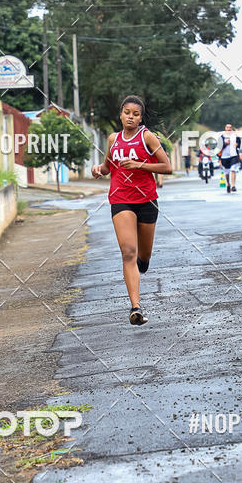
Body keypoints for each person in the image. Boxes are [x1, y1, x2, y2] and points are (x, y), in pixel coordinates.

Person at [91, 95, 172, 326]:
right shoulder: (113, 139)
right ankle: (136, 308)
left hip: (146, 200)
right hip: (121, 200)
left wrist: (140, 165)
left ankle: (142, 264)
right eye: (127, 112)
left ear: (140, 118)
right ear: (120, 114)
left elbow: (167, 167)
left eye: (135, 114)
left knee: (143, 257)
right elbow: (108, 167)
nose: (130, 117)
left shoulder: (147, 137)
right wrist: (98, 169)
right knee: (128, 252)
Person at [219, 123, 242, 193]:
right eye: (227, 127)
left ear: (231, 129)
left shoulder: (235, 136)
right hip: (224, 157)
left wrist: (236, 143)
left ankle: (233, 186)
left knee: (233, 169)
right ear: (225, 128)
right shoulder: (221, 137)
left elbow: (238, 144)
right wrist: (226, 143)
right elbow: (219, 147)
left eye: (230, 127)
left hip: (233, 155)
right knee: (226, 173)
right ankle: (228, 184)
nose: (229, 129)